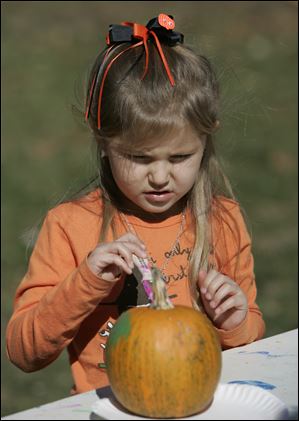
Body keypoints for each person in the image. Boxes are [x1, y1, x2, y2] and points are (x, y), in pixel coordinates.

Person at [6, 14, 265, 395]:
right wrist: (86, 281)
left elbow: (252, 338)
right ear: (104, 144)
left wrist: (238, 320)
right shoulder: (70, 226)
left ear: (205, 143)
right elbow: (23, 351)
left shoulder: (222, 220)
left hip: (203, 402)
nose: (160, 176)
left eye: (179, 158)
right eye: (140, 159)